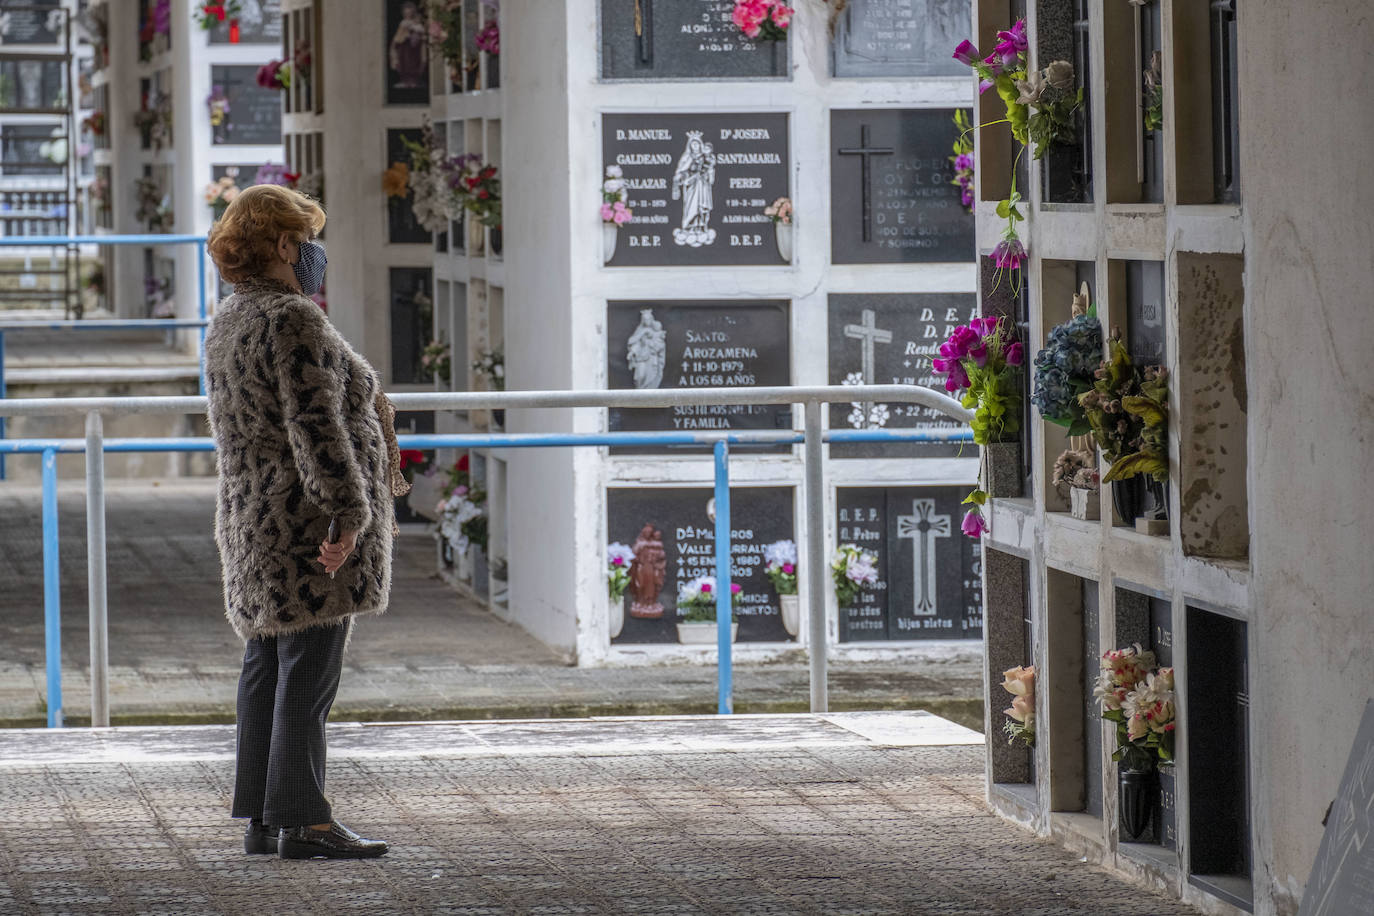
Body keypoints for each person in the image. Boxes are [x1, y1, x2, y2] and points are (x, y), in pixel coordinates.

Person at [204, 185, 407, 860]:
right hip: (304, 523)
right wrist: (348, 514)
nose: (315, 252)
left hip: (254, 520)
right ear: (284, 245)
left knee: (267, 663)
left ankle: (266, 818)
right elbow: (315, 425)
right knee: (309, 673)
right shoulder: (292, 319)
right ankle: (306, 820)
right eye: (306, 239)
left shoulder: (232, 317)